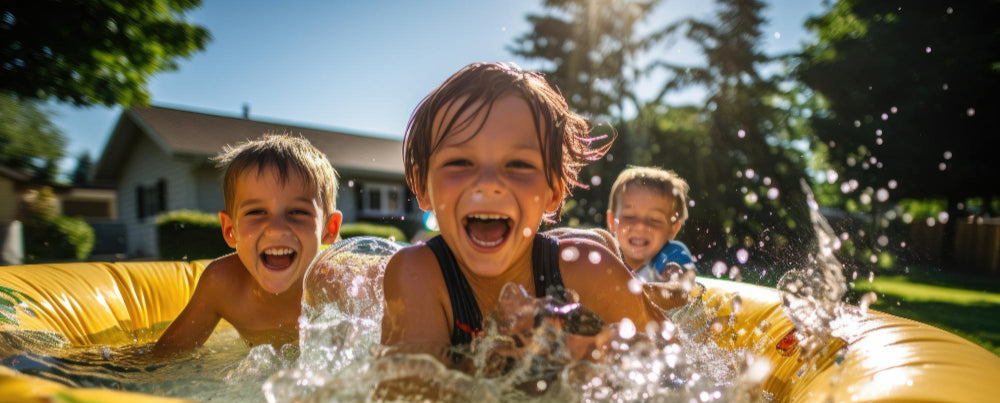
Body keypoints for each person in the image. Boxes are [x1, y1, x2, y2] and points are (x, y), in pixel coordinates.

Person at [381, 62, 661, 366]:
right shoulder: (418, 274)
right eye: (460, 161)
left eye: (518, 164)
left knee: (594, 253)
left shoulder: (589, 273)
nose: (488, 183)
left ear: (553, 192)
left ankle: (596, 241)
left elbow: (670, 363)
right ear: (422, 187)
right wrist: (509, 356)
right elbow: (412, 398)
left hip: (573, 260)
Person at [151, 133, 342, 358]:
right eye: (256, 212)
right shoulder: (223, 285)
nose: (276, 229)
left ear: (329, 229)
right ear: (230, 230)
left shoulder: (338, 285)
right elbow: (165, 356)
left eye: (297, 212)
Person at [606, 166, 695, 281]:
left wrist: (675, 277)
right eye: (630, 216)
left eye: (654, 219)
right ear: (612, 221)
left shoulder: (672, 254)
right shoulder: (605, 256)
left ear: (673, 229)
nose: (640, 226)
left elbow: (684, 282)